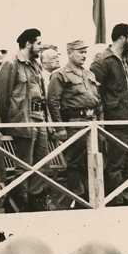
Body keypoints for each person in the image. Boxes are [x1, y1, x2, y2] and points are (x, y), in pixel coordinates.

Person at [0, 28, 52, 212]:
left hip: (39, 120)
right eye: (38, 43)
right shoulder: (11, 64)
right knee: (24, 165)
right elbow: (2, 98)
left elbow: (42, 95)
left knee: (43, 164)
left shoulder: (36, 65)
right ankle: (20, 203)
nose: (40, 47)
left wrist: (47, 120)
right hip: (23, 121)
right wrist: (9, 124)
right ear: (28, 44)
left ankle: (36, 201)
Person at [91, 24, 128, 204]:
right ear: (122, 38)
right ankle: (116, 200)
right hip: (116, 121)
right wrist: (102, 121)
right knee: (116, 164)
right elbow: (95, 93)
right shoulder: (103, 61)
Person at [46, 40, 100, 207]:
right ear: (69, 53)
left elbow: (98, 100)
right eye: (79, 52)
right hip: (74, 122)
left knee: (91, 162)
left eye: (85, 52)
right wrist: (60, 128)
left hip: (92, 122)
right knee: (75, 163)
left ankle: (91, 198)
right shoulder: (60, 74)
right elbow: (53, 102)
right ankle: (79, 200)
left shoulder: (89, 74)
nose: (83, 55)